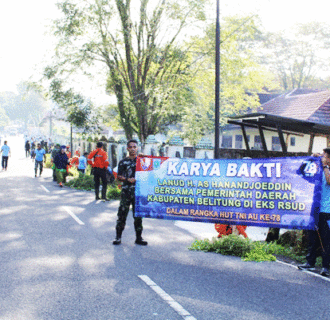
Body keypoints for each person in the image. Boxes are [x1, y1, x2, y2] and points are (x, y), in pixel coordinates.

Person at [298, 148, 330, 277]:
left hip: (327, 211)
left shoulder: (326, 170)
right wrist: (311, 159)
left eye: (325, 156)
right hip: (315, 210)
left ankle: (325, 267)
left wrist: (326, 166)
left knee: (326, 240)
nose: (322, 157)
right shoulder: (317, 170)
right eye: (322, 156)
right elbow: (301, 172)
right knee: (312, 238)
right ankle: (309, 262)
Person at [113, 139, 147, 246]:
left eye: (134, 147)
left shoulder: (141, 160)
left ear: (137, 148)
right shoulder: (123, 162)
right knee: (122, 215)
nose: (132, 149)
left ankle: (139, 238)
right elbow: (119, 176)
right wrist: (127, 179)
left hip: (138, 192)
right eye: (130, 147)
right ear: (127, 148)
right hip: (126, 192)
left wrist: (144, 157)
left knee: (138, 216)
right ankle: (118, 237)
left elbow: (150, 169)